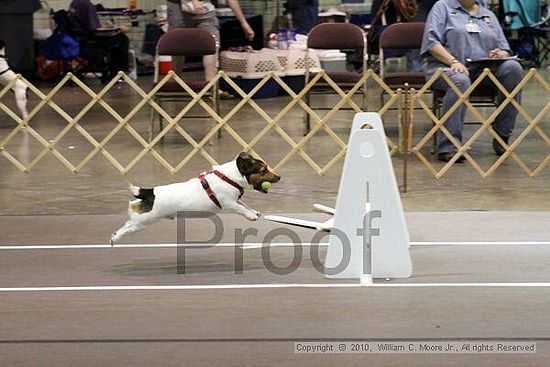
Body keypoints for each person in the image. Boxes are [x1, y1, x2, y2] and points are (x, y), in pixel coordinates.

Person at [421, 0, 523, 162]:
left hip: (484, 70)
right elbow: (431, 42)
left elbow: (504, 47)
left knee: (513, 68)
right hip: (446, 67)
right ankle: (449, 145)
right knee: (460, 80)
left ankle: (502, 135)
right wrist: (453, 61)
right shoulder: (442, 7)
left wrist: (501, 54)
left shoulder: (487, 14)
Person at [166, 0, 254, 81]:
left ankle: (211, 85)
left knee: (213, 44)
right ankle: (175, 80)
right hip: (178, 6)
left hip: (205, 8)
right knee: (177, 43)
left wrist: (244, 24)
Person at [68, 0, 130, 82]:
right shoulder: (86, 5)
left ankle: (110, 70)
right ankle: (118, 73)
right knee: (122, 39)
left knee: (117, 39)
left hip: (78, 39)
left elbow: (87, 25)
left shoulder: (75, 3)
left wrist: (107, 27)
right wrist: (117, 28)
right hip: (88, 41)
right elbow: (95, 30)